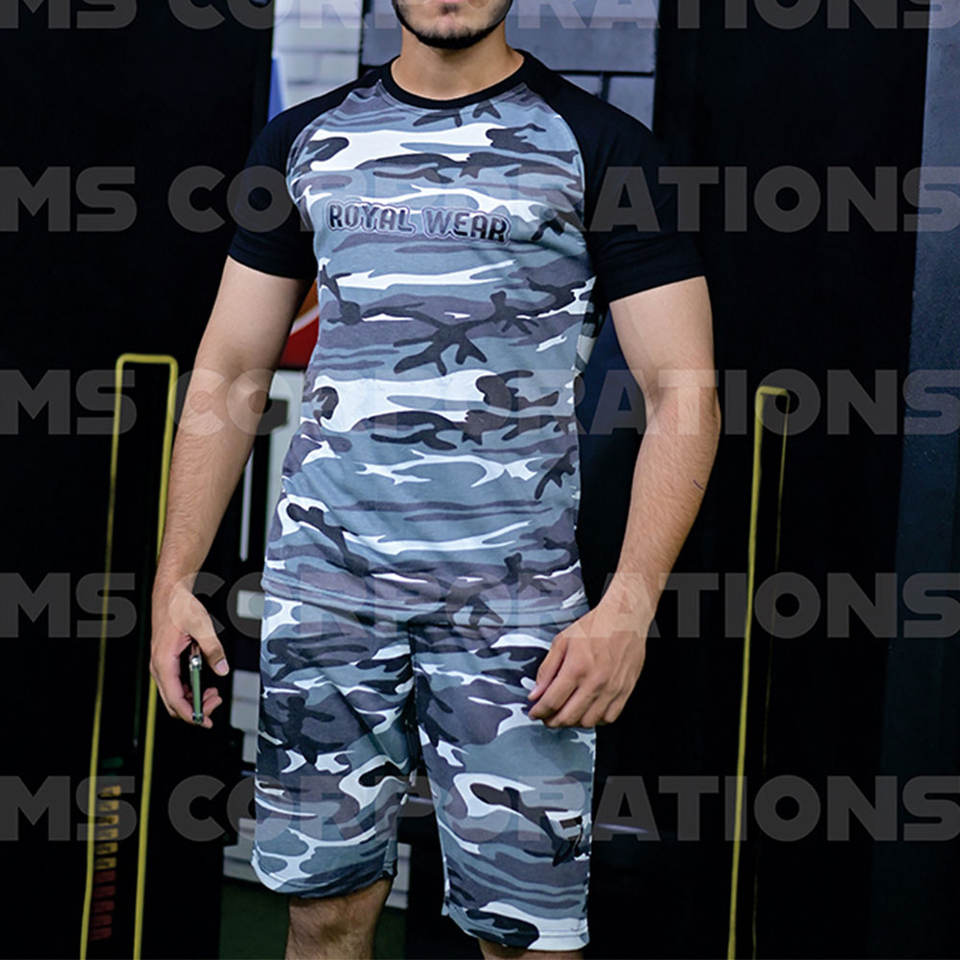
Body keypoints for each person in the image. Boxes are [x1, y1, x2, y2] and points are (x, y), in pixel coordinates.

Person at [150, 0, 721, 957]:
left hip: (517, 614)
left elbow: (684, 393)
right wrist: (174, 580)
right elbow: (232, 371)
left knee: (524, 938)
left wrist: (629, 606)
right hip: (327, 598)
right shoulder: (303, 141)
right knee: (324, 914)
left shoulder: (601, 146)